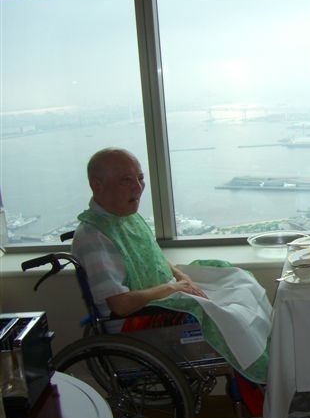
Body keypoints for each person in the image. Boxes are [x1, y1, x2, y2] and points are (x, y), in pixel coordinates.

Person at [71, 147, 272, 386]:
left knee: (238, 280)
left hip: (162, 292)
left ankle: (270, 363)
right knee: (233, 315)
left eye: (140, 178)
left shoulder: (125, 217)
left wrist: (180, 276)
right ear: (97, 185)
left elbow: (152, 255)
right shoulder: (94, 237)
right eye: (126, 180)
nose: (138, 187)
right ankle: (262, 375)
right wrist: (174, 287)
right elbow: (121, 304)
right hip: (136, 320)